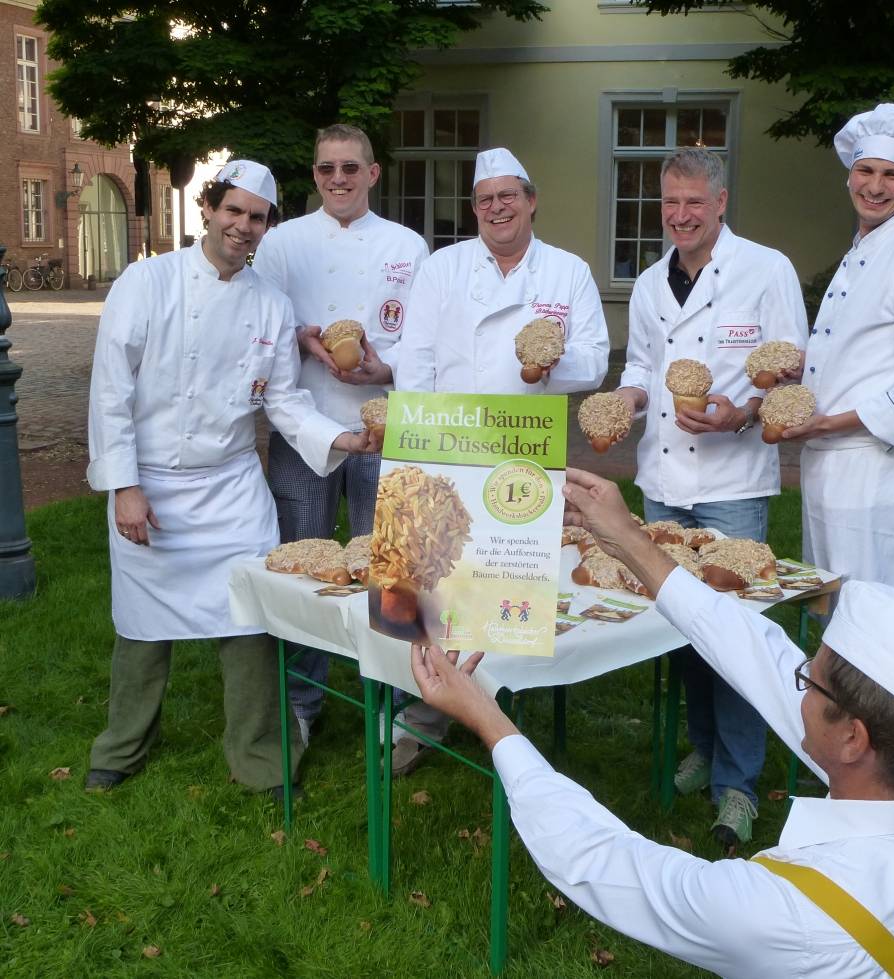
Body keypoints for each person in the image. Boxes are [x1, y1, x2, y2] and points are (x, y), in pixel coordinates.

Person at [409, 467, 894, 978]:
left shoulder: (787, 912)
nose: (794, 678)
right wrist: (628, 538)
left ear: (855, 738)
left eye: (811, 676)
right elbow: (759, 654)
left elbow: (603, 861)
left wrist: (490, 721)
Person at [85, 160, 376, 796]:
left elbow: (284, 401)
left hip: (232, 489)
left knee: (248, 624)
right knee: (141, 626)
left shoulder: (270, 305)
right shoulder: (147, 281)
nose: (243, 227)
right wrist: (124, 485)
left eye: (257, 218)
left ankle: (261, 759)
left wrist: (343, 438)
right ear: (208, 210)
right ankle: (122, 745)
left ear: (267, 227)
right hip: (153, 483)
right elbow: (111, 390)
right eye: (233, 211)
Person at [384, 146, 610, 774]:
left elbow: (594, 359)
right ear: (474, 209)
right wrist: (417, 448)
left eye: (509, 196)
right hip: (449, 449)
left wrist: (547, 360)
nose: (497, 208)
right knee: (437, 587)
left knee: (512, 586)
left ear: (531, 201)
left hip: (525, 454)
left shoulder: (567, 272)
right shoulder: (443, 268)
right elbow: (416, 360)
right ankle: (420, 718)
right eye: (485, 200)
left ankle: (504, 716)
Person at [615, 147, 808, 847]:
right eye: (670, 202)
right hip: (663, 480)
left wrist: (743, 412)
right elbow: (642, 363)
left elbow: (789, 365)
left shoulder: (766, 268)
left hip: (732, 486)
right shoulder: (647, 283)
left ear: (722, 203)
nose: (681, 215)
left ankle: (738, 784)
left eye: (694, 202)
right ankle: (703, 745)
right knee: (684, 631)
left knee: (736, 638)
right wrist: (628, 398)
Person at [253, 124, 429, 743]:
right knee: (304, 562)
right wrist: (304, 334)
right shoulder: (282, 244)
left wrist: (391, 366)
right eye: (327, 169)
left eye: (350, 168)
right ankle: (302, 698)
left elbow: (422, 335)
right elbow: (264, 319)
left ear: (373, 174)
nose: (338, 179)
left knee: (388, 567)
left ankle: (391, 699)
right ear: (315, 175)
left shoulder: (409, 246)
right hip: (304, 420)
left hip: (385, 422)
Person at [782, 104, 894, 590]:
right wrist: (802, 369)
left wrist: (829, 422)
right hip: (829, 472)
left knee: (869, 631)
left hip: (875, 479)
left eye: (891, 174)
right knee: (833, 620)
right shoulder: (864, 249)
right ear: (849, 176)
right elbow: (864, 352)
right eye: (865, 170)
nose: (875, 185)